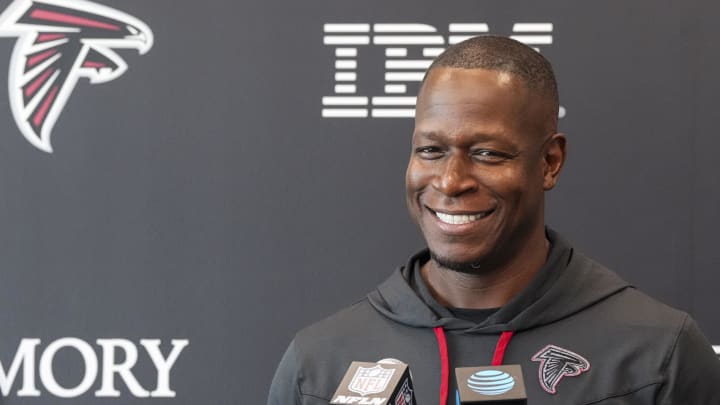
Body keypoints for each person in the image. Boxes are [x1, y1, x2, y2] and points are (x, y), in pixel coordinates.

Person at [267, 36, 720, 404]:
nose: (450, 180)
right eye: (430, 150)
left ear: (549, 162)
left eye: (486, 153)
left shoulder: (659, 354)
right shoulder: (320, 363)